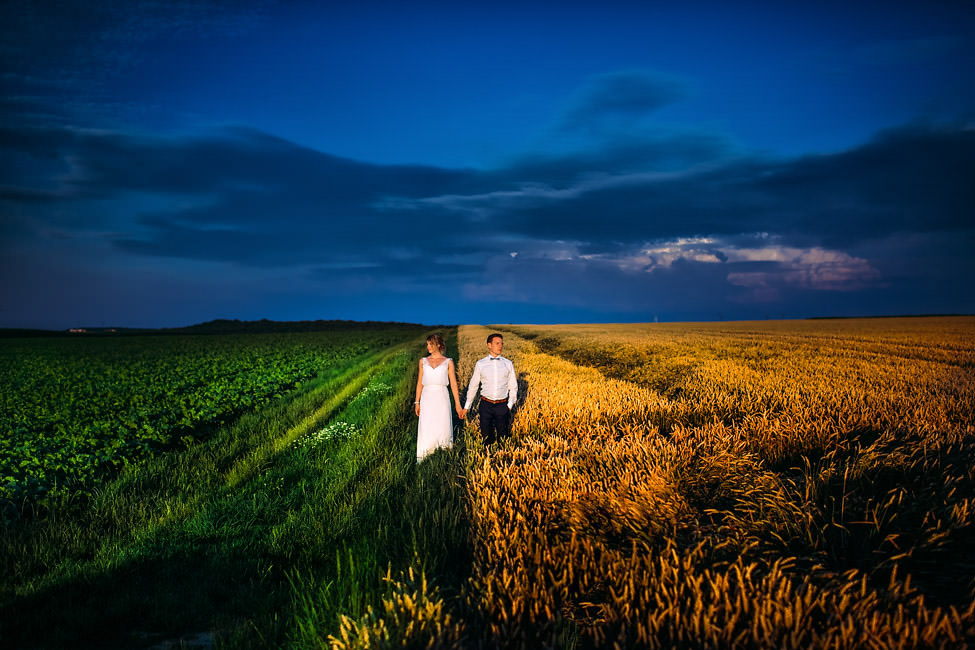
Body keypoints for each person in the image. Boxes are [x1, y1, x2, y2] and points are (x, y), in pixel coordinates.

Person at [460, 332, 517, 446]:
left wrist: (509, 406)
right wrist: (467, 407)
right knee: (486, 438)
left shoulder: (508, 364)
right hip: (485, 405)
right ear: (489, 345)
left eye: (501, 343)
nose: (500, 346)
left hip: (502, 406)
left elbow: (513, 386)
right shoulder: (480, 364)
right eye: (497, 343)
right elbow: (473, 385)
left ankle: (502, 459)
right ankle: (488, 458)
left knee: (503, 438)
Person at [414, 333, 464, 462]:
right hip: (427, 396)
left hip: (442, 396)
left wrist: (457, 404)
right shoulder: (423, 361)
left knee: (443, 423)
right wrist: (417, 402)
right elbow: (420, 382)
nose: (428, 347)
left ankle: (445, 453)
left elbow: (453, 384)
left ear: (438, 345)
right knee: (427, 424)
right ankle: (425, 454)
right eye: (427, 344)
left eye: (431, 344)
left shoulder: (448, 362)